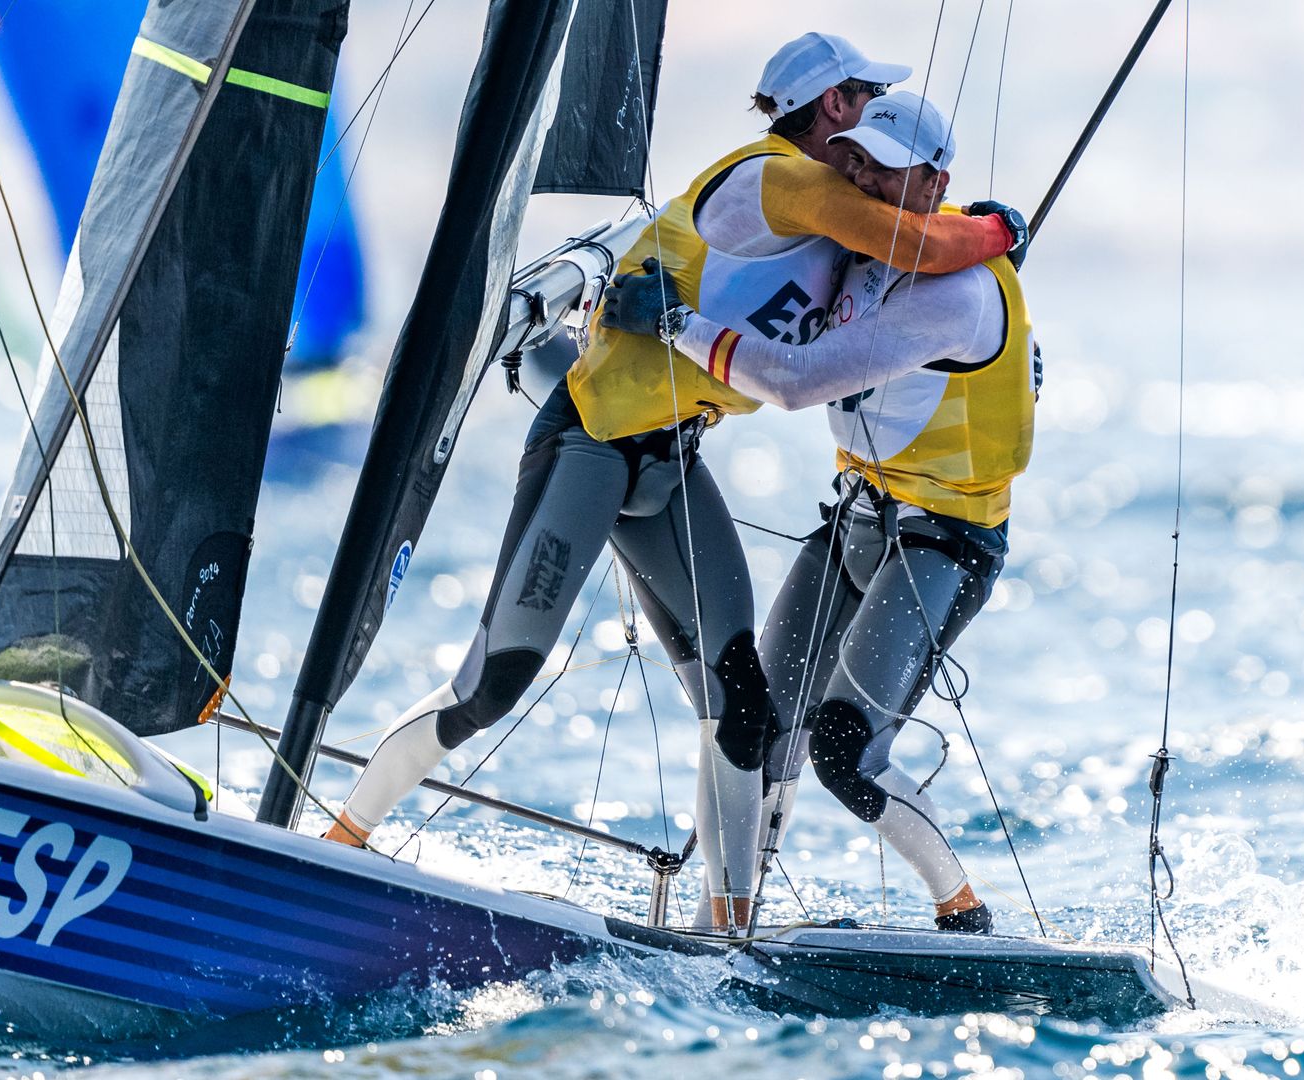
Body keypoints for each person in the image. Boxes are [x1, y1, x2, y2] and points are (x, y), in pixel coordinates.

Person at [325, 33, 1024, 936]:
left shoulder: (829, 226)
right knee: (494, 681)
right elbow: (920, 246)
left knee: (743, 707)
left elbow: (909, 275)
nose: (862, 147)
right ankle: (340, 838)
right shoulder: (786, 182)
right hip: (589, 448)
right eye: (859, 104)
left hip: (670, 463)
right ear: (835, 109)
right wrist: (1003, 227)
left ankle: (720, 930)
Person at [601, 91, 1036, 933]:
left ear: (935, 182)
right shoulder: (866, 241)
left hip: (944, 543)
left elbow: (795, 383)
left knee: (844, 753)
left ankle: (963, 910)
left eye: (888, 168)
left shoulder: (959, 297)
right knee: (763, 721)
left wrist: (676, 323)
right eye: (858, 159)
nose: (865, 177)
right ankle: (734, 918)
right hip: (859, 518)